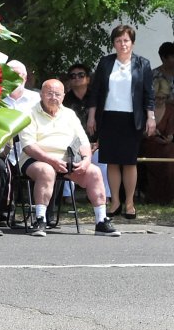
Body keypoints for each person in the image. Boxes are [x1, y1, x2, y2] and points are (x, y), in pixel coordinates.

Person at [21, 78, 115, 235]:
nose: (54, 97)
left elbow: (83, 141)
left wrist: (86, 160)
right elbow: (28, 146)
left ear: (63, 96)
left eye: (57, 94)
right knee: (46, 171)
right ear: (41, 95)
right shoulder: (30, 114)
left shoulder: (70, 115)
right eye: (49, 93)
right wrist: (51, 160)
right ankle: (40, 220)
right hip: (37, 160)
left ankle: (101, 220)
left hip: (67, 160)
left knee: (94, 172)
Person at [87, 25, 156, 220]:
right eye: (118, 41)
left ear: (132, 42)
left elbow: (149, 94)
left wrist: (151, 117)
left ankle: (129, 202)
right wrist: (92, 116)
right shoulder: (106, 62)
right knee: (112, 161)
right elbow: (96, 91)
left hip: (132, 118)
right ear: (114, 43)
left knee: (129, 161)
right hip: (108, 117)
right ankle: (115, 201)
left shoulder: (143, 64)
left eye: (126, 40)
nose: (122, 44)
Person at [63, 66, 96, 138]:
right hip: (73, 140)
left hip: (97, 141)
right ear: (69, 81)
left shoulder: (97, 97)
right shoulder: (64, 100)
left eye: (81, 75)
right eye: (73, 76)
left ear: (88, 79)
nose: (77, 78)